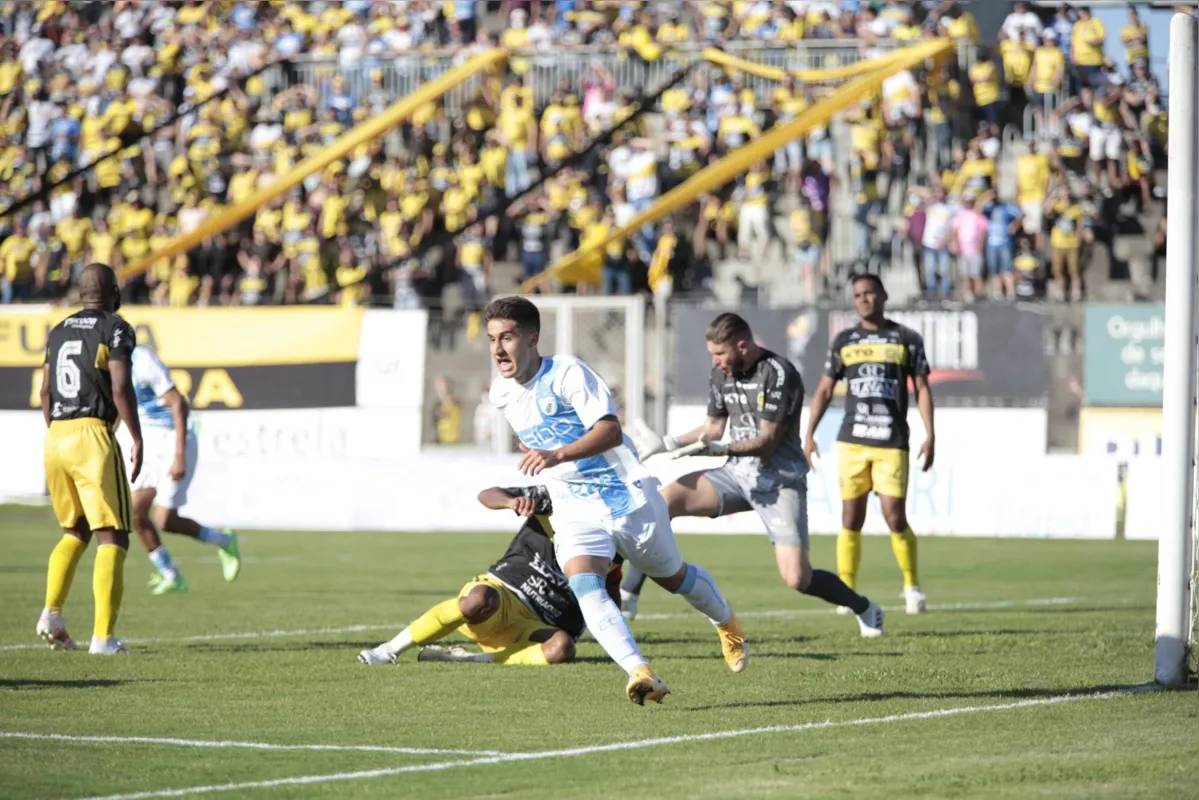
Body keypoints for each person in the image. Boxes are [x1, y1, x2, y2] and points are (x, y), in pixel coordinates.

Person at [483, 297, 746, 705]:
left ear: (532, 338)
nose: (498, 349)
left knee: (674, 578)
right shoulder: (501, 393)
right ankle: (639, 672)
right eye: (492, 339)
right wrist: (543, 451)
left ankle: (726, 621)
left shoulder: (567, 371)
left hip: (627, 496)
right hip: (573, 507)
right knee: (585, 583)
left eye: (508, 337)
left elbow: (608, 432)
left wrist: (557, 453)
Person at [625, 313, 885, 638]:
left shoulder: (779, 374)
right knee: (662, 502)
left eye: (719, 354)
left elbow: (767, 441)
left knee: (797, 578)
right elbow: (713, 428)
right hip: (736, 475)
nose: (716, 362)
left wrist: (722, 450)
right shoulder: (722, 373)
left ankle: (865, 608)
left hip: (780, 482)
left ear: (742, 345)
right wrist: (669, 442)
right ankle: (628, 595)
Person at [358, 485, 623, 666]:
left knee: (563, 648)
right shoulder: (555, 499)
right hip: (503, 596)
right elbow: (487, 494)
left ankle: (465, 660)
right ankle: (389, 650)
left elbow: (611, 588)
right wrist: (511, 502)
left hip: (536, 628)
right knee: (480, 599)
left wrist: (617, 636)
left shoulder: (616, 540)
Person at [804, 274, 935, 616]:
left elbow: (921, 388)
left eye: (869, 293)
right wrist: (809, 433)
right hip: (852, 442)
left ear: (883, 295)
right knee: (850, 518)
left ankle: (912, 586)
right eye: (858, 295)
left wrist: (929, 433)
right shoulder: (845, 340)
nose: (863, 299)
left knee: (894, 517)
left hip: (891, 441)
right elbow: (824, 389)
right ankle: (846, 592)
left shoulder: (906, 339)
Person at [37, 263, 143, 654]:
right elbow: (120, 385)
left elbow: (46, 391)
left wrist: (57, 429)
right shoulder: (116, 327)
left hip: (56, 436)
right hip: (91, 436)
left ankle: (51, 614)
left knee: (76, 530)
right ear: (114, 292)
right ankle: (104, 637)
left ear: (81, 294)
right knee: (113, 535)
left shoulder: (59, 328)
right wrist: (136, 436)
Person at [121, 344, 241, 595]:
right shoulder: (104, 362)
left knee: (164, 520)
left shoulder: (141, 358)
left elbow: (179, 403)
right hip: (147, 442)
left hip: (173, 438)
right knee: (135, 515)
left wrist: (178, 456)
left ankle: (224, 540)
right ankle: (171, 575)